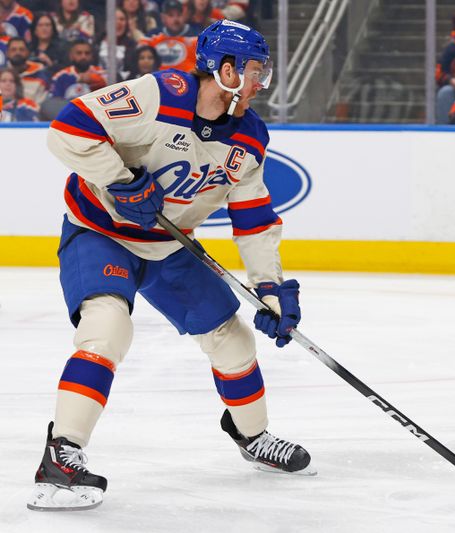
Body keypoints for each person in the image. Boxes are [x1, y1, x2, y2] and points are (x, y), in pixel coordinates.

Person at [28, 19, 312, 512]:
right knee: (107, 329)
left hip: (167, 244)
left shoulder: (249, 138)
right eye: (253, 71)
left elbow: (253, 218)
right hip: (100, 233)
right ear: (224, 70)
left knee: (233, 340)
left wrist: (269, 287)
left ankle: (252, 436)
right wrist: (119, 180)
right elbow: (67, 131)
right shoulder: (158, 94)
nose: (260, 83)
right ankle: (62, 453)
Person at [138, 0, 199, 72]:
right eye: (171, 15)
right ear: (163, 17)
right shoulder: (152, 36)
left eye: (179, 15)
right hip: (157, 79)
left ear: (184, 15)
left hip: (186, 79)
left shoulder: (195, 36)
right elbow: (137, 58)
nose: (175, 19)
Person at [5, 36, 50, 104]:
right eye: (13, 50)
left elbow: (42, 106)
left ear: (28, 52)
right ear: (7, 53)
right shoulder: (1, 74)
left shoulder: (41, 75)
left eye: (21, 50)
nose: (18, 53)